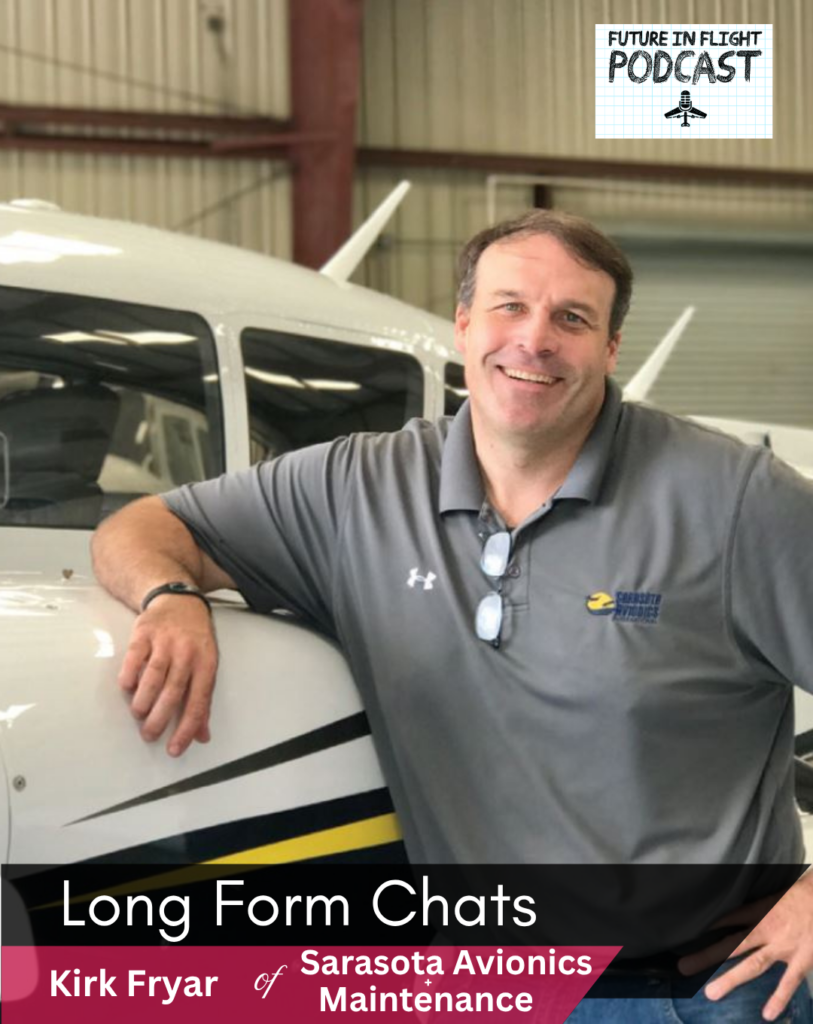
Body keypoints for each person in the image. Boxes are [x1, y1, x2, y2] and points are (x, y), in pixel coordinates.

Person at [92, 210, 813, 1022]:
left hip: (699, 990)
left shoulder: (735, 500)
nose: (533, 340)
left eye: (571, 318)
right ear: (463, 323)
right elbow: (144, 526)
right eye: (509, 306)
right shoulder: (353, 487)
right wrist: (170, 596)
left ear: (610, 351)